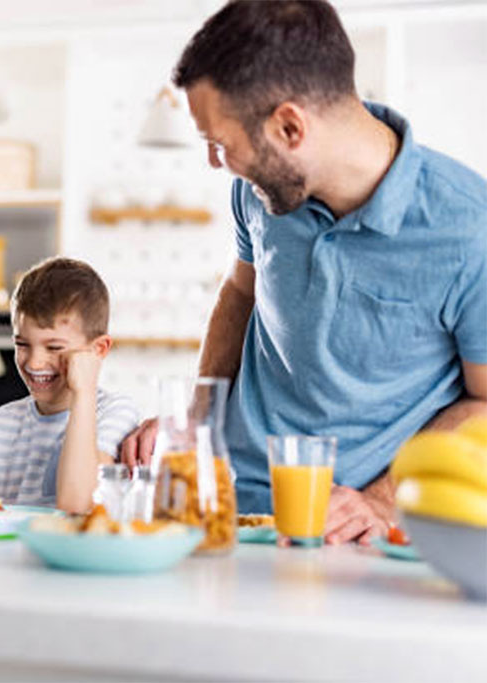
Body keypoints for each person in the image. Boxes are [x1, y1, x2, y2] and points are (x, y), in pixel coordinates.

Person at [121, 0, 487, 545]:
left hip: (350, 533)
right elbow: (240, 293)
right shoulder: (260, 192)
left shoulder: (468, 227)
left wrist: (379, 501)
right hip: (229, 511)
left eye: (220, 145)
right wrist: (194, 424)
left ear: (289, 126)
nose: (216, 164)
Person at [0, 257, 141, 513]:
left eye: (54, 347)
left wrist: (84, 391)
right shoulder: (0, 424)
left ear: (98, 349)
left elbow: (77, 504)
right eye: (22, 344)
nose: (34, 363)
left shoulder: (115, 413)